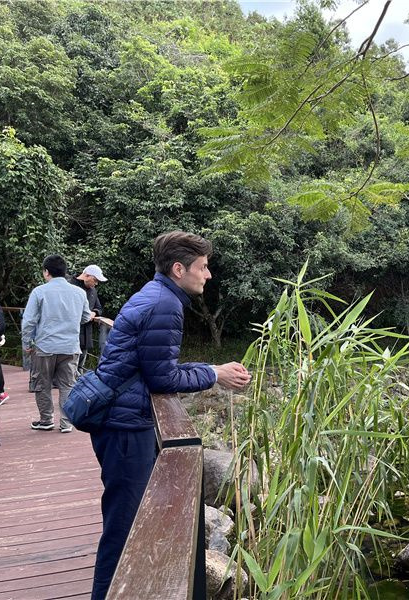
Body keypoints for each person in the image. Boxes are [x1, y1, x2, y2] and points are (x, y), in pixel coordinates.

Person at [89, 231, 251, 600]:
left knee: (125, 520)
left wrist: (213, 368)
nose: (207, 275)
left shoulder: (157, 294)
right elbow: (163, 377)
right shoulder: (165, 304)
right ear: (179, 269)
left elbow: (155, 367)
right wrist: (214, 375)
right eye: (203, 267)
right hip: (125, 426)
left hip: (121, 420)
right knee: (123, 526)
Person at [21, 255, 91, 433]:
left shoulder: (39, 292)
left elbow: (28, 321)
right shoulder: (79, 293)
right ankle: (66, 423)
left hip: (45, 347)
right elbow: (85, 317)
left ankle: (46, 419)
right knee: (68, 384)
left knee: (42, 384)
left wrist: (27, 343)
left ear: (46, 272)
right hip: (70, 346)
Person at [70, 265, 107, 372]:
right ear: (86, 276)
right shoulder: (70, 286)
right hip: (71, 333)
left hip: (86, 334)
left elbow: (99, 307)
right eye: (95, 280)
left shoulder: (93, 290)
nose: (96, 283)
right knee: (69, 367)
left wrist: (94, 313)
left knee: (80, 366)